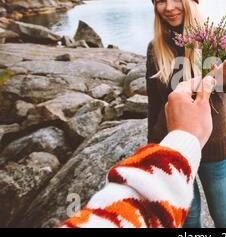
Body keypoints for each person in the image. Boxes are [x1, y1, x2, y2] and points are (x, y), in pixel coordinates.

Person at [147, 0, 226, 228]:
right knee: (189, 221)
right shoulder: (155, 49)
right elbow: (154, 106)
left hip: (214, 149)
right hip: (174, 151)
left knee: (223, 220)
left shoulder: (215, 37)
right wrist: (154, 149)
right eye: (160, 0)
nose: (169, 7)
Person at [61, 76, 216, 228]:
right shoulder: (156, 53)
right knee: (192, 215)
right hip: (175, 143)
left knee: (220, 213)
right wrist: (182, 137)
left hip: (208, 150)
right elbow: (154, 104)